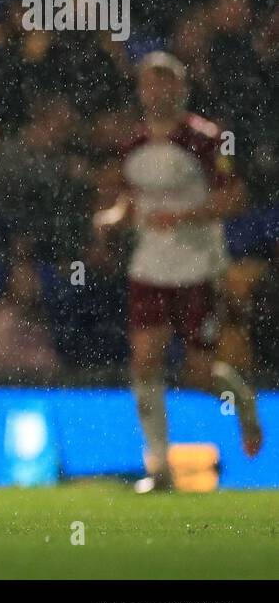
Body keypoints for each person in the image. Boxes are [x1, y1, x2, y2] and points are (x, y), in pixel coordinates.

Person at [94, 51, 263, 493]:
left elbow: (236, 198)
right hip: (150, 266)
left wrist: (185, 216)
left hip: (198, 266)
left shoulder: (206, 140)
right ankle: (158, 467)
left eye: (165, 82)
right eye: (150, 82)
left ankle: (243, 402)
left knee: (197, 373)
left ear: (181, 88)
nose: (157, 90)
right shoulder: (132, 144)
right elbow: (132, 203)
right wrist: (113, 217)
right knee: (145, 361)